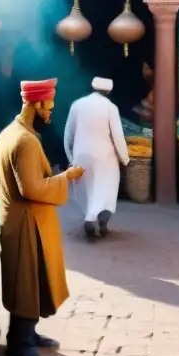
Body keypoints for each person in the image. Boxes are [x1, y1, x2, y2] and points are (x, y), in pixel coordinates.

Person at [0, 78, 84, 356]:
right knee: (26, 281)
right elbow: (31, 188)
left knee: (30, 280)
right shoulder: (26, 141)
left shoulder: (10, 132)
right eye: (49, 105)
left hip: (18, 220)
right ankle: (19, 343)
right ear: (36, 103)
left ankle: (28, 333)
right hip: (26, 223)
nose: (51, 111)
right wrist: (65, 178)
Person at [64, 77, 129, 238]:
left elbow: (68, 136)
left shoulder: (77, 105)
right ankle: (102, 220)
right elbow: (118, 137)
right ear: (108, 92)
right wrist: (125, 158)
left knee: (87, 189)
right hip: (104, 158)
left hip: (81, 156)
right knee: (106, 188)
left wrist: (71, 157)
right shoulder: (110, 107)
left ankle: (89, 216)